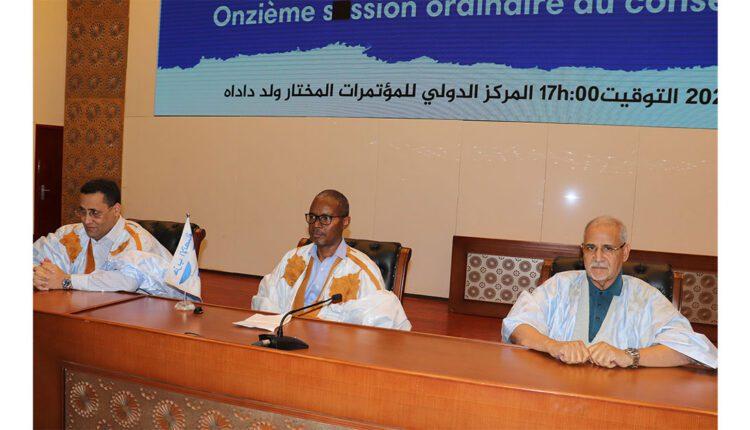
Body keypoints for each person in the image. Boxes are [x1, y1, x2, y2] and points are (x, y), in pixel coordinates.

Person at [502, 215, 717, 369]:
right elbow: (516, 325)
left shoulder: (647, 298)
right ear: (582, 251)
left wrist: (629, 356)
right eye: (590, 248)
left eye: (608, 248)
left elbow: (690, 349)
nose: (598, 257)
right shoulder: (560, 285)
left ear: (625, 252)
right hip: (559, 395)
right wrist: (553, 346)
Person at [252, 190, 411, 330]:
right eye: (312, 217)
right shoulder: (293, 258)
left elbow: (380, 322)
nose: (316, 225)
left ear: (345, 222)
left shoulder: (362, 270)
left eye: (325, 218)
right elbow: (266, 300)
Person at [33, 179, 195, 300]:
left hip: (146, 313)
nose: (86, 220)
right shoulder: (70, 234)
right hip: (81, 309)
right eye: (82, 211)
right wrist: (38, 275)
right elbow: (34, 256)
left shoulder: (135, 239)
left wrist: (66, 281)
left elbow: (127, 281)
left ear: (116, 210)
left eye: (94, 213)